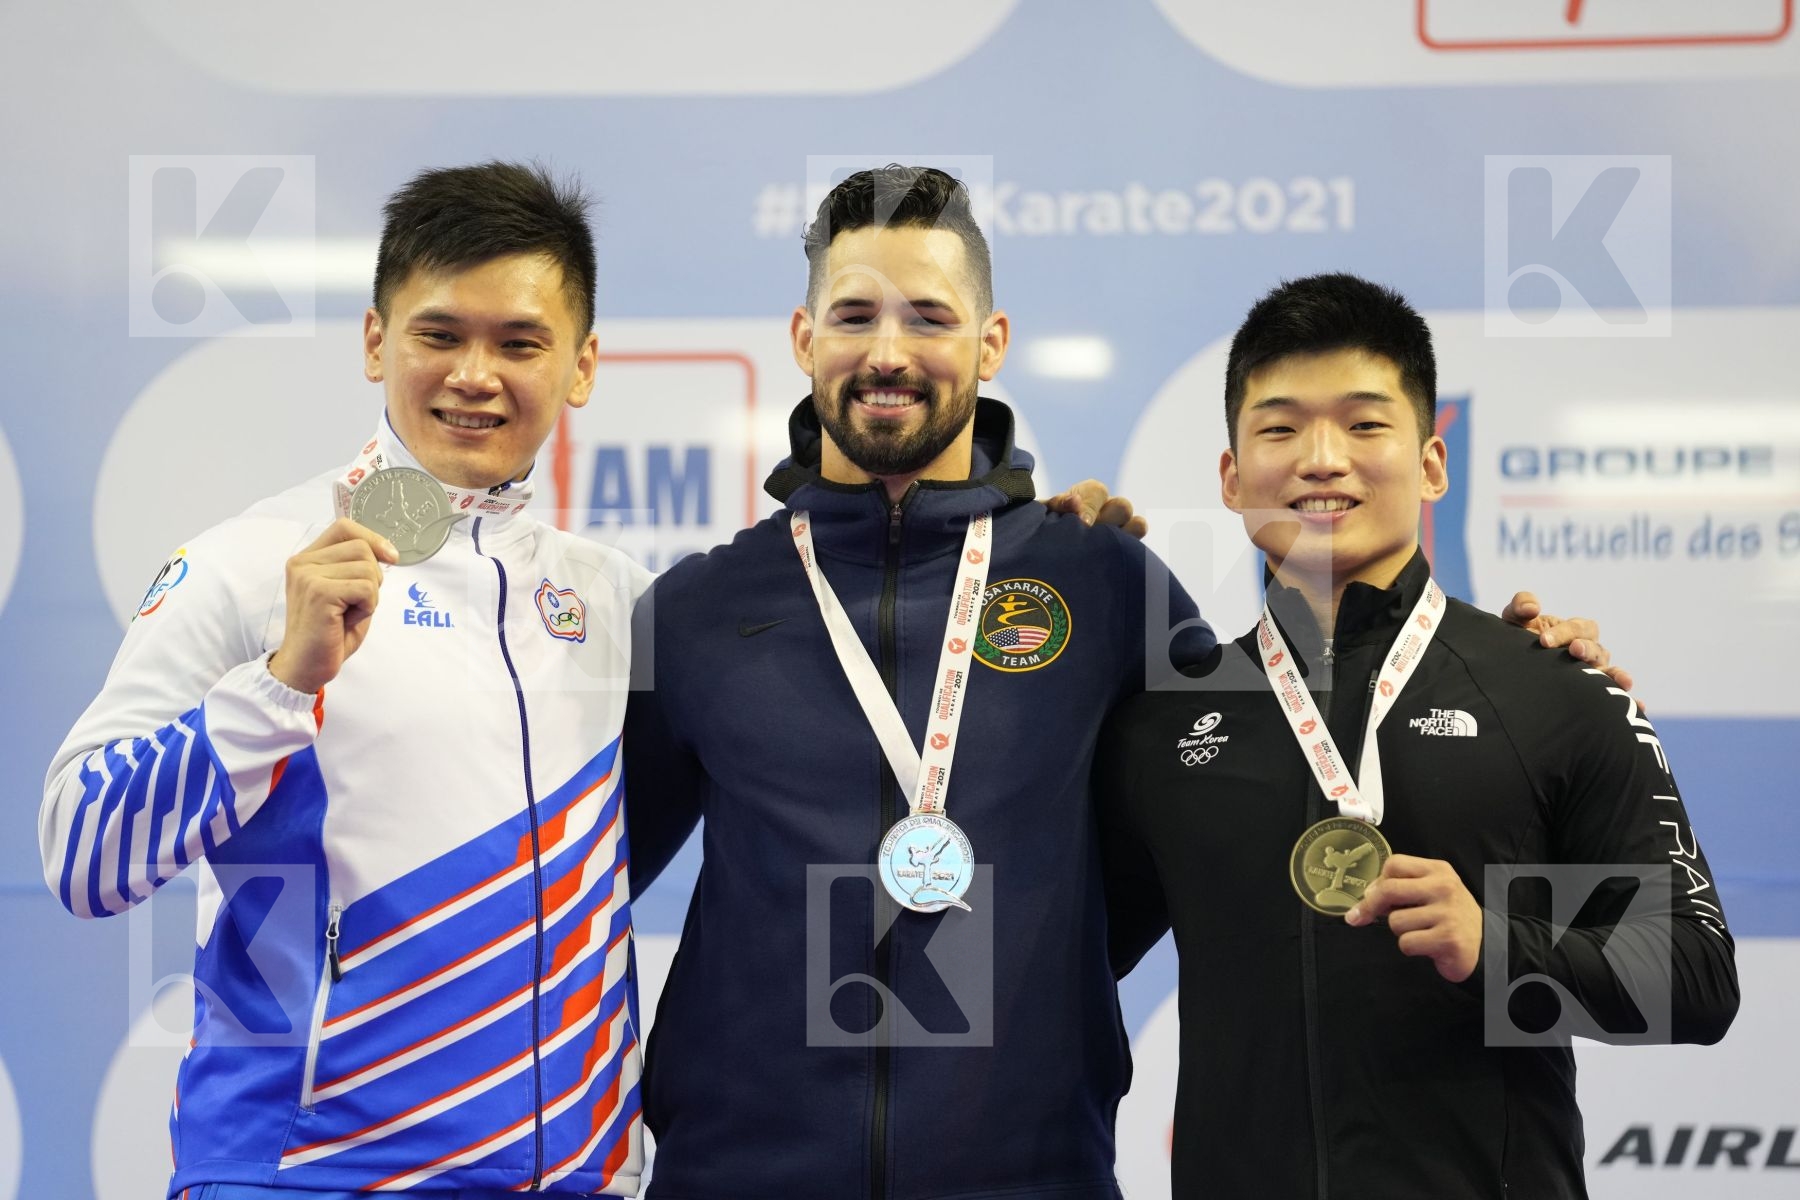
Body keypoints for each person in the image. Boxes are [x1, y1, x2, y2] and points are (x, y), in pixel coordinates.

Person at [621, 169, 1617, 1200]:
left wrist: (1516, 667)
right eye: (854, 315)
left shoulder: (1103, 581)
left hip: (1033, 1176)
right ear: (802, 336)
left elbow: (1286, 755)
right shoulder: (695, 610)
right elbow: (574, 886)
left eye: (929, 316)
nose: (888, 352)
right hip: (736, 1173)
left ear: (990, 342)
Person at [41, 162, 650, 1198]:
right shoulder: (250, 565)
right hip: (307, 1178)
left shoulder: (613, 601)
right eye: (438, 334)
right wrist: (280, 687)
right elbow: (82, 854)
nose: (474, 374)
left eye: (518, 343)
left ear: (582, 366)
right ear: (376, 341)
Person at [1097, 273, 1739, 1200]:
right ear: (1233, 478)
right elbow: (1062, 959)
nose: (1322, 459)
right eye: (1280, 429)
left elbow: (1696, 975)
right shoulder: (1169, 721)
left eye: (1365, 424)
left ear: (1432, 464)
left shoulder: (1550, 690)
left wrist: (1500, 946)